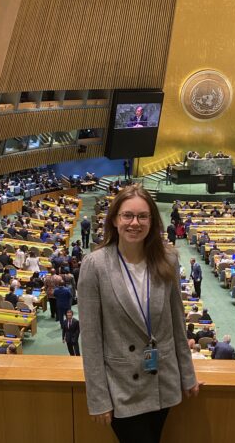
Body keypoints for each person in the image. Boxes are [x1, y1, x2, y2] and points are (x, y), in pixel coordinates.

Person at [77, 184, 199, 440]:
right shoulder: (94, 265)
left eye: (143, 216)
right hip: (122, 387)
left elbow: (177, 321)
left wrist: (188, 375)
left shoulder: (168, 258)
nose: (135, 223)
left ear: (152, 221)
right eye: (127, 215)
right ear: (114, 219)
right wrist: (98, 398)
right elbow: (90, 339)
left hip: (162, 380)